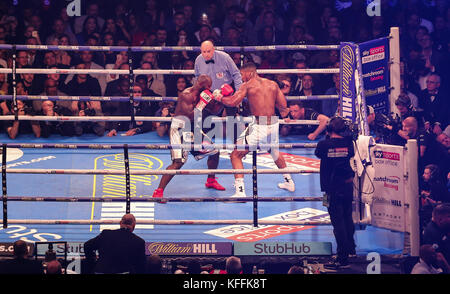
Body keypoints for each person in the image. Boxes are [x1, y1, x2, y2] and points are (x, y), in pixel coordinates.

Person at [215, 62, 294, 197]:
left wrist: (220, 97)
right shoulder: (273, 84)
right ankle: (289, 182)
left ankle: (240, 192)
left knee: (235, 154)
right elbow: (283, 107)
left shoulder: (247, 85)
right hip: (274, 123)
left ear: (249, 73)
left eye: (242, 74)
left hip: (260, 126)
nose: (241, 77)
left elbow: (233, 102)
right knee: (274, 151)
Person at [151, 75, 224, 199]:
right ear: (202, 86)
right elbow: (189, 116)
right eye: (208, 87)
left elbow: (214, 111)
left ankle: (211, 180)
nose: (210, 89)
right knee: (178, 163)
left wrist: (219, 100)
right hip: (180, 129)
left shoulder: (203, 95)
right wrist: (202, 103)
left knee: (214, 152)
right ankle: (158, 191)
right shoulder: (186, 95)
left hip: (193, 129)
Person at [315, 116, 356, 269]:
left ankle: (342, 258)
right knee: (347, 218)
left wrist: (327, 137)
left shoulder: (323, 144)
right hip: (346, 186)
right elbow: (350, 154)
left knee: (337, 222)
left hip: (330, 189)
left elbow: (318, 153)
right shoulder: (349, 143)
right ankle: (350, 249)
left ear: (329, 129)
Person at [194, 40, 242, 117]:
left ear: (213, 50)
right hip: (209, 93)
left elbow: (236, 74)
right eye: (204, 52)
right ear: (201, 51)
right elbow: (197, 77)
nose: (206, 54)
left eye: (208, 51)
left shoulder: (225, 57)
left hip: (227, 92)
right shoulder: (198, 60)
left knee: (232, 120)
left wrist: (238, 94)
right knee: (204, 118)